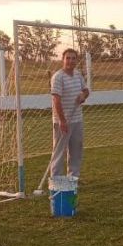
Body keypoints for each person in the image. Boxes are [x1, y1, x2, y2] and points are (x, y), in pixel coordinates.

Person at [49, 48, 90, 178]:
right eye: (68, 58)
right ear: (63, 60)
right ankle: (56, 180)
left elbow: (86, 90)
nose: (70, 61)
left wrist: (83, 95)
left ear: (76, 61)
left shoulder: (78, 75)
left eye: (73, 58)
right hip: (63, 121)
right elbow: (56, 100)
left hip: (77, 119)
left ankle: (73, 178)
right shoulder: (58, 77)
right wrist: (62, 121)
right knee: (59, 152)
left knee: (76, 150)